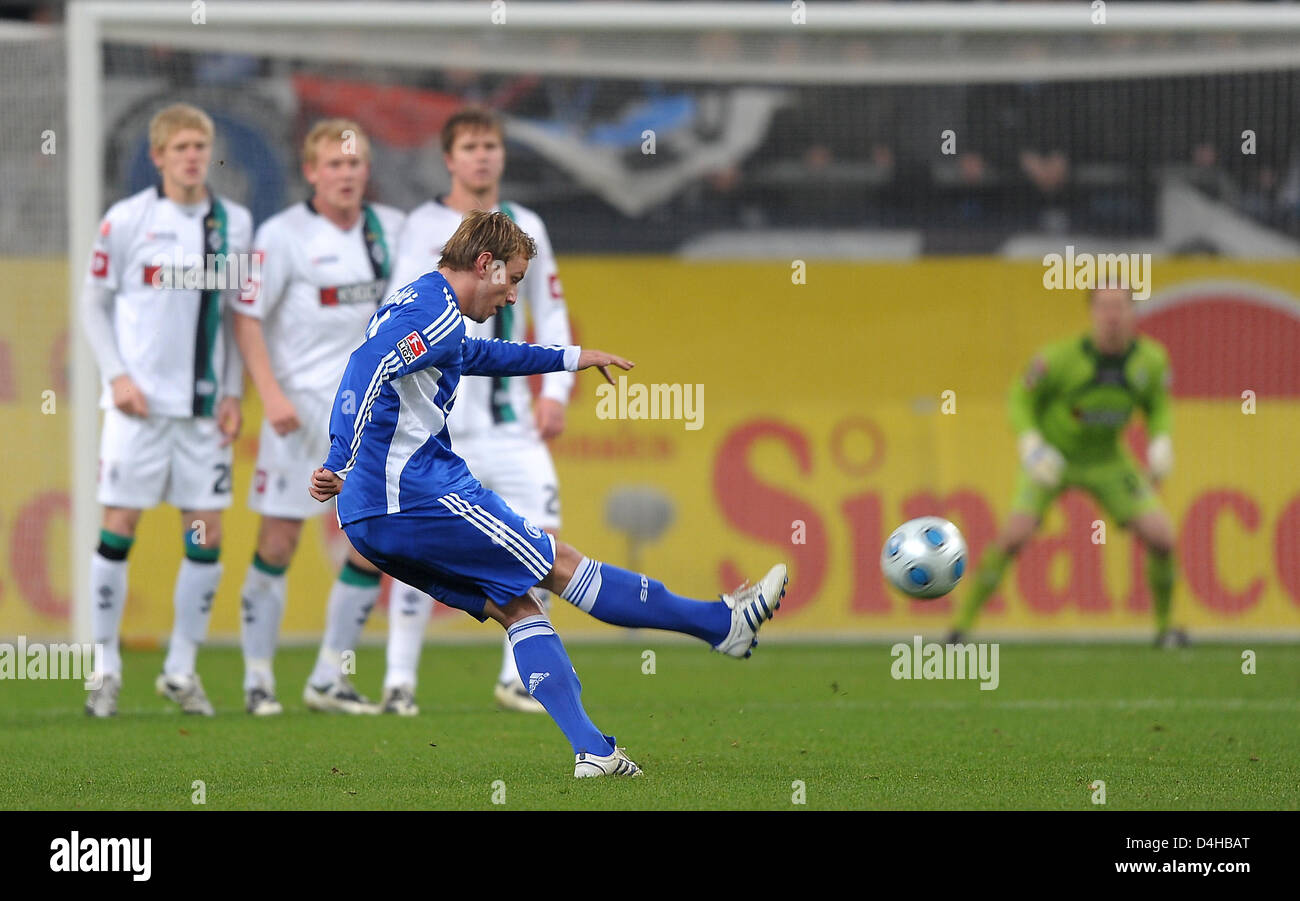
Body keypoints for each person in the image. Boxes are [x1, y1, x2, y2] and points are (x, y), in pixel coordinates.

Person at [311, 209, 787, 776]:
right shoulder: (433, 314)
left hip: (372, 516)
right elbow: (366, 366)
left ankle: (596, 752)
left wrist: (568, 358)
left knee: (517, 605)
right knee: (559, 564)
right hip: (416, 494)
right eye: (511, 279)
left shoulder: (425, 303)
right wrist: (338, 458)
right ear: (484, 265)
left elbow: (476, 355)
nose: (513, 296)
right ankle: (718, 624)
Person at [381, 106, 573, 715]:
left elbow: (553, 307)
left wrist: (556, 391)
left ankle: (518, 677)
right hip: (441, 426)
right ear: (449, 158)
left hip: (513, 421)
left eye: (491, 144)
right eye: (470, 146)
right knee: (417, 551)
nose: (483, 155)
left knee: (542, 543)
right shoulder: (423, 225)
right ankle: (399, 681)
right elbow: (397, 314)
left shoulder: (527, 222)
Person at [82, 103, 251, 716]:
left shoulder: (236, 223)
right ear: (157, 156)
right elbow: (92, 305)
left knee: (205, 533)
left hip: (203, 413)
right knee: (118, 528)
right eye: (179, 147)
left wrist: (233, 390)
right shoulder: (125, 221)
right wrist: (117, 377)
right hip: (138, 412)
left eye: (200, 146)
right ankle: (104, 666)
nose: (191, 156)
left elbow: (239, 317)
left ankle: (180, 670)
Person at [232, 119, 405, 715]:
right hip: (300, 416)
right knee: (278, 541)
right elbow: (247, 317)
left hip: (371, 421)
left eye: (355, 164)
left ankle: (329, 676)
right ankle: (258, 677)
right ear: (311, 171)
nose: (346, 174)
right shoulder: (281, 235)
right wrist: (270, 395)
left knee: (372, 544)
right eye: (334, 164)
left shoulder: (392, 230)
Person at [947, 287, 1180, 646]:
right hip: (1052, 459)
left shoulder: (1152, 360)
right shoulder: (1058, 359)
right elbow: (1020, 397)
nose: (1112, 316)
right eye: (1103, 307)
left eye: (1120, 306)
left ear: (1133, 311)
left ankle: (1165, 631)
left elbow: (1158, 406)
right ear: (1091, 313)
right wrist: (1031, 444)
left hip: (1108, 461)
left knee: (1163, 538)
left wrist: (1161, 439)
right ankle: (960, 628)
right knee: (1014, 535)